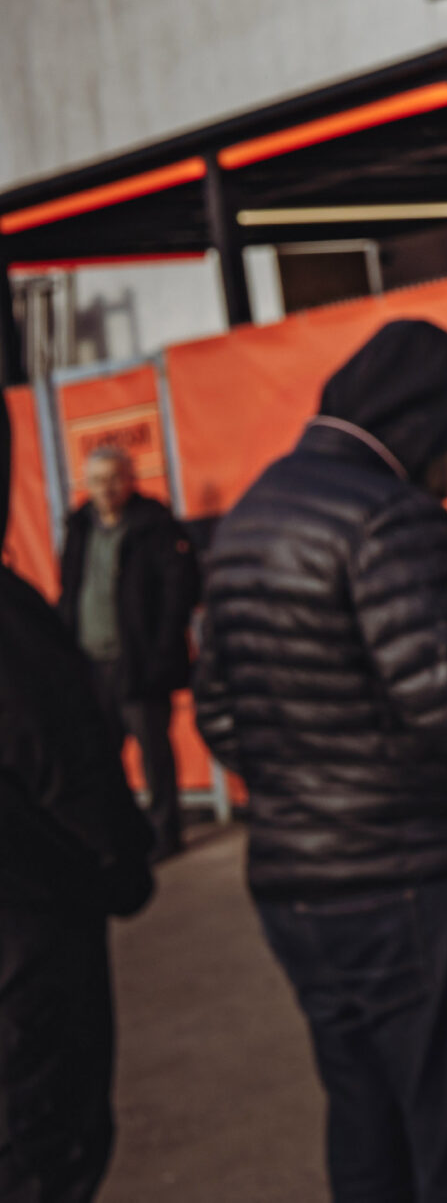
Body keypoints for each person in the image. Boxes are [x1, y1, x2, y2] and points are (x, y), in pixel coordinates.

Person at [194, 320, 447, 1203]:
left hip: (293, 885)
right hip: (412, 882)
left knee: (364, 1118)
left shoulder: (251, 516)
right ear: (422, 424)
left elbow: (220, 718)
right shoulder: (390, 517)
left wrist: (313, 775)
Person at [2, 425, 155, 1203]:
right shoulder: (11, 624)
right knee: (41, 1158)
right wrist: (121, 866)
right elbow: (68, 771)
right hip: (26, 966)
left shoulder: (147, 530)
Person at [55, 441, 200, 860]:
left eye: (114, 478)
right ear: (87, 484)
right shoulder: (80, 527)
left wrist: (161, 651)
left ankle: (165, 834)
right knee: (100, 757)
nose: (106, 488)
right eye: (98, 481)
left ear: (130, 480)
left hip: (139, 662)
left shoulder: (153, 524)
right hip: (91, 661)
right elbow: (70, 590)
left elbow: (178, 592)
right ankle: (119, 836)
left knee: (154, 754)